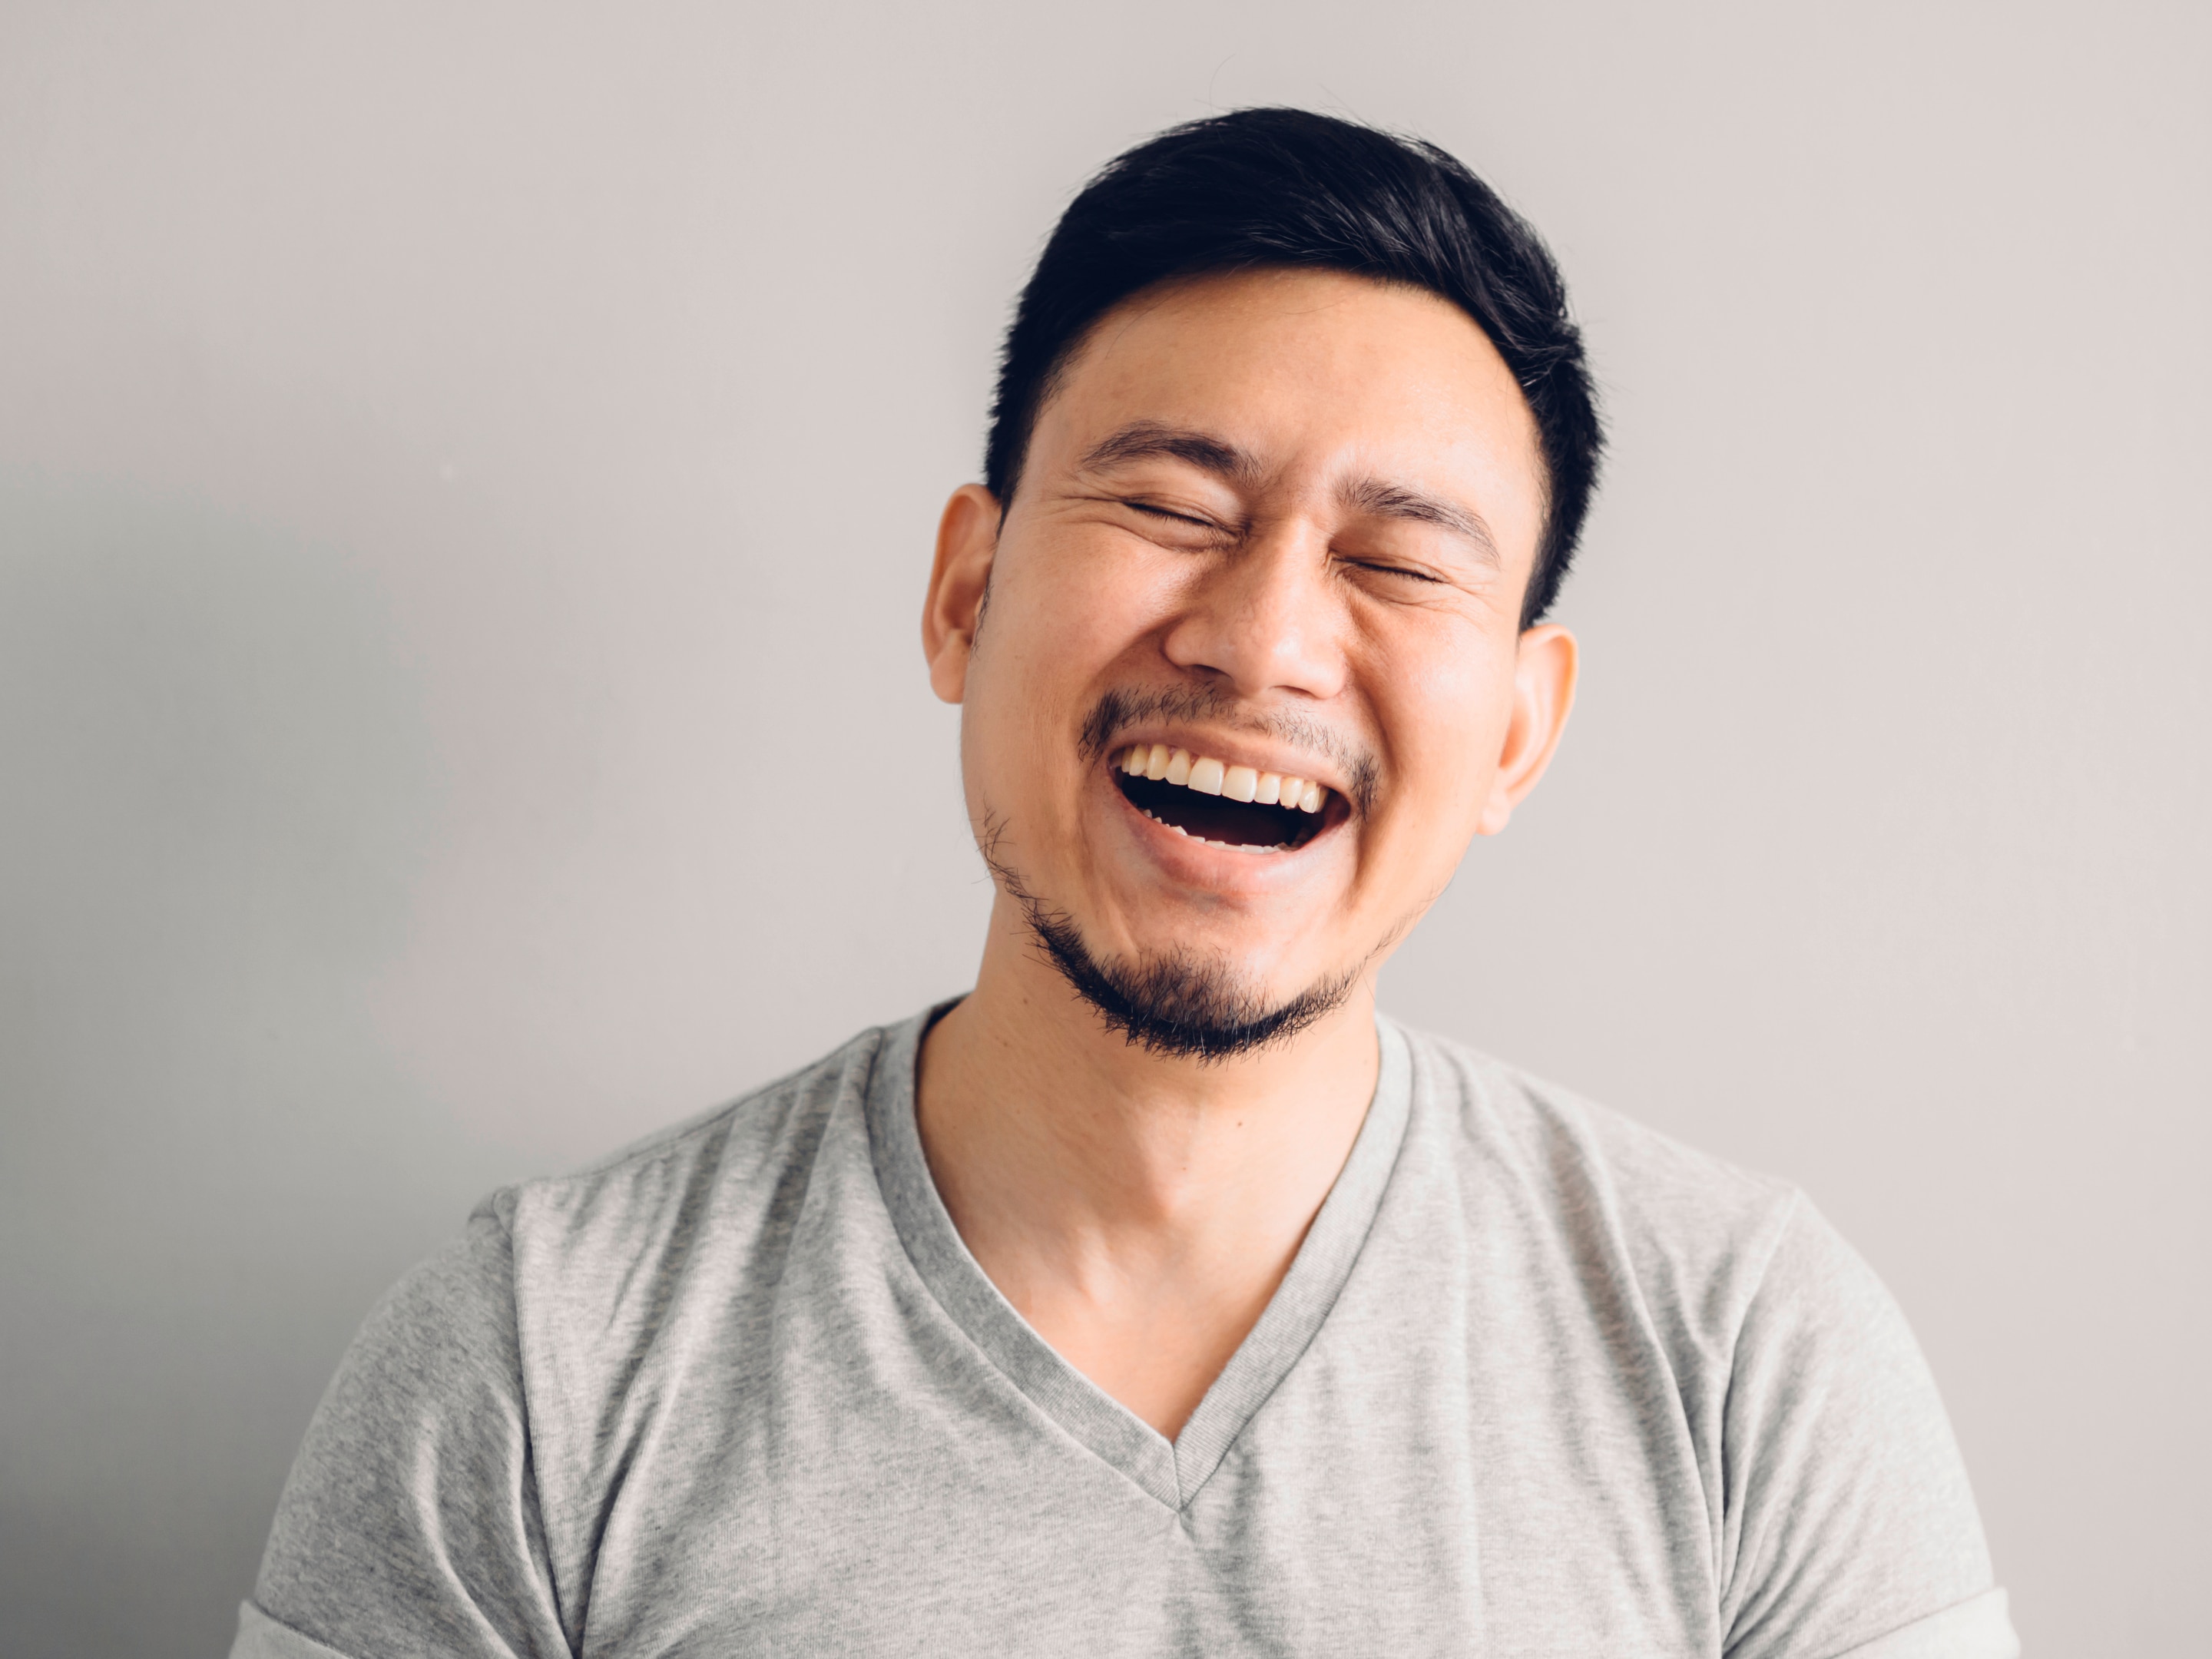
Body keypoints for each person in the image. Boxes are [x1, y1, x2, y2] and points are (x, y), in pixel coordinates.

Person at [232, 108, 2015, 1658]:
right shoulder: (539, 1360)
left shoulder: (1745, 1355)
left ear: (1518, 738)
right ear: (965, 595)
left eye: (1398, 562)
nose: (1263, 639)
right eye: (1173, 506)